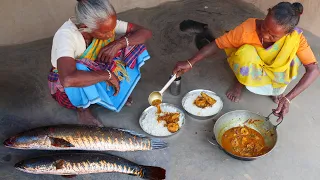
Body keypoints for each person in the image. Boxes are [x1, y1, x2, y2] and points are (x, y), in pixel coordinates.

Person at [173, 2, 319, 121]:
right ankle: (240, 81)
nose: (265, 35)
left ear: (288, 33)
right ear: (267, 13)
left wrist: (288, 99)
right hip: (251, 66)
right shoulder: (248, 28)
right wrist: (190, 62)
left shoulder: (295, 38)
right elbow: (218, 44)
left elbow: (313, 70)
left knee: (294, 58)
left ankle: (276, 89)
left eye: (273, 36)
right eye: (264, 27)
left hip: (276, 71)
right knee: (245, 52)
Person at [48, 0, 152, 126]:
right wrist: (106, 75)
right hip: (70, 88)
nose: (110, 35)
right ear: (85, 26)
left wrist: (119, 43)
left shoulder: (105, 23)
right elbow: (68, 79)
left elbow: (145, 32)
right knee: (80, 67)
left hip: (96, 68)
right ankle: (83, 109)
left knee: (131, 43)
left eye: (112, 29)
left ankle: (112, 93)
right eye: (105, 32)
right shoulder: (66, 36)